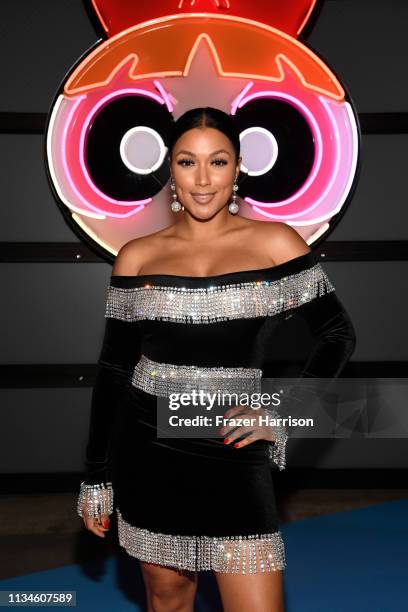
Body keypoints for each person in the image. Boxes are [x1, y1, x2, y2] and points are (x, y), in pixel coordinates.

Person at [77, 107, 356, 611]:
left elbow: (337, 334)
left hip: (233, 446)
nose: (203, 180)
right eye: (187, 162)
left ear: (238, 168)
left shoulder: (275, 243)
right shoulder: (136, 256)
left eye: (218, 162)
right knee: (167, 596)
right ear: (170, 171)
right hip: (149, 446)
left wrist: (283, 410)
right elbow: (115, 369)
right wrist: (97, 474)